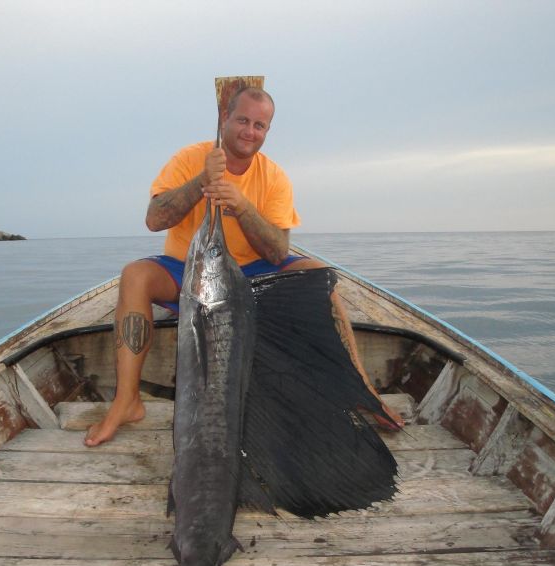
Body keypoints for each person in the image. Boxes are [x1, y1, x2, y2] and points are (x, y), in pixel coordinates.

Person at [85, 87, 401, 446]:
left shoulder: (275, 177)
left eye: (260, 125)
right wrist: (201, 182)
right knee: (135, 275)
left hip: (252, 275)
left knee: (317, 275)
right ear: (225, 119)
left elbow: (279, 251)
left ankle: (362, 387)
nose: (250, 132)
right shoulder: (189, 158)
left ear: (267, 131)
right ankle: (126, 401)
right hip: (188, 269)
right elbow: (154, 220)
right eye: (243, 120)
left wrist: (243, 207)